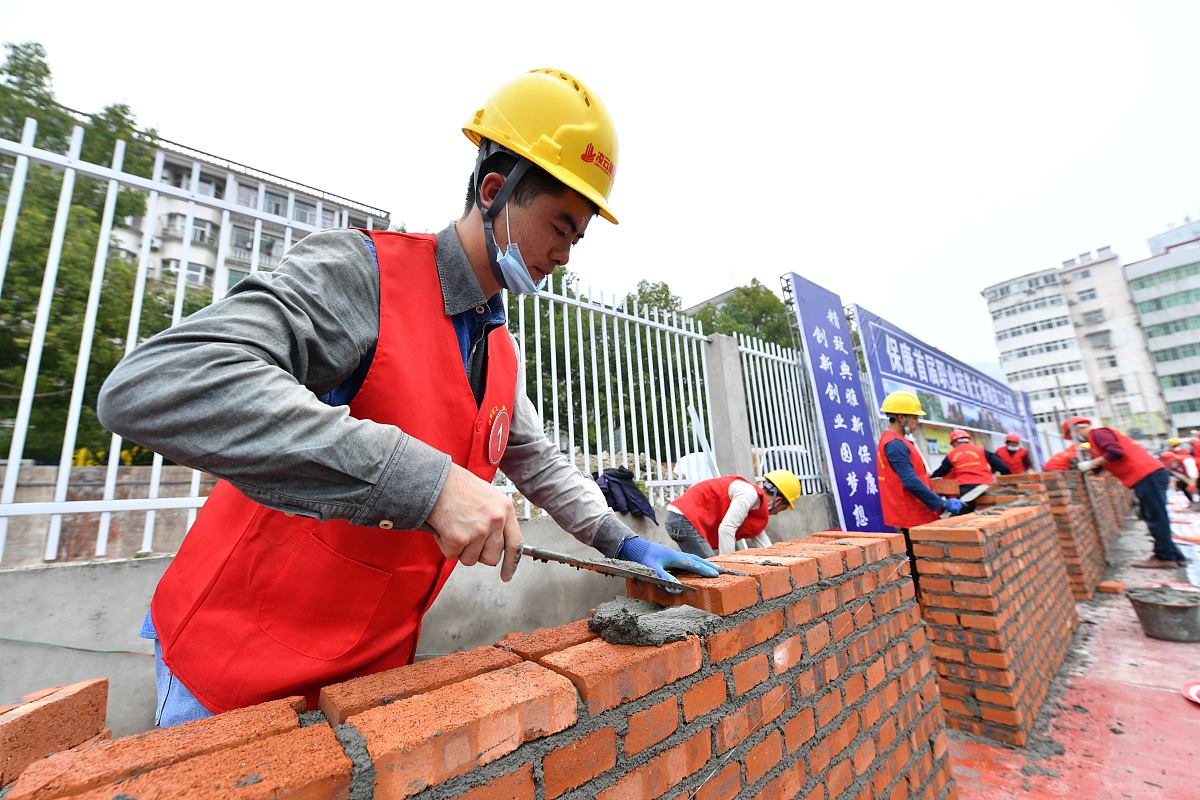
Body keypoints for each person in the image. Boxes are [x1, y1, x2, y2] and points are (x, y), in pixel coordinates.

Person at [95, 69, 721, 726]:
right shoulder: (363, 275)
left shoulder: (497, 348)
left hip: (364, 677)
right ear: (494, 192)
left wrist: (624, 544)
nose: (564, 254)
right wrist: (428, 484)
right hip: (237, 662)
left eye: (577, 238)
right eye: (558, 226)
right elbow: (157, 383)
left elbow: (536, 462)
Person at [1067, 416, 1187, 569]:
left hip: (1147, 475)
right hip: (1148, 476)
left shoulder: (1098, 434)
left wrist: (1091, 463)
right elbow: (1104, 463)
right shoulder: (1095, 440)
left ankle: (1165, 557)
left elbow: (1116, 453)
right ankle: (1176, 556)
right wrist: (1092, 468)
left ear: (1078, 428)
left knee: (1155, 517)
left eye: (1073, 435)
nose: (1075, 439)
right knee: (1156, 515)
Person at [875, 392, 963, 584]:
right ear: (901, 417)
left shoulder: (898, 442)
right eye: (915, 417)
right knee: (918, 564)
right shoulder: (895, 445)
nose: (917, 422)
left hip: (915, 511)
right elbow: (910, 481)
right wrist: (941, 502)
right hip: (911, 513)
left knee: (920, 562)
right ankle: (921, 602)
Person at [665, 470, 802, 557]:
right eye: (782, 509)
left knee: (704, 569)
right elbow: (726, 529)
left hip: (681, 520)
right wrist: (729, 569)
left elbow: (764, 544)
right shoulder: (748, 494)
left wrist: (778, 563)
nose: (777, 514)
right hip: (682, 519)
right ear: (778, 501)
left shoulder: (754, 505)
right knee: (712, 570)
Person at [930, 429, 1011, 509]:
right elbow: (1003, 468)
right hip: (985, 486)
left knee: (965, 514)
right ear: (968, 440)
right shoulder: (981, 450)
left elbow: (941, 472)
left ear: (954, 443)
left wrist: (929, 479)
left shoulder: (951, 455)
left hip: (965, 489)